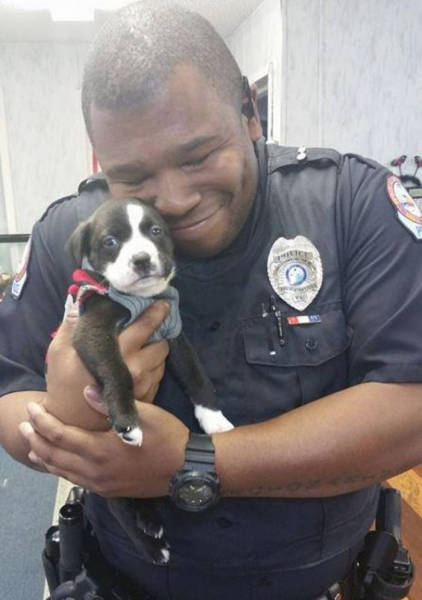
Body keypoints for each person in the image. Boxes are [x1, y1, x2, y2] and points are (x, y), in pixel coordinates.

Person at [0, 2, 422, 598]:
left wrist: (194, 462)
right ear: (101, 161)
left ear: (250, 111)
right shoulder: (73, 232)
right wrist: (64, 416)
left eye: (197, 156)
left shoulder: (352, 207)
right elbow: (11, 396)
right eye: (133, 176)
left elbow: (411, 412)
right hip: (120, 579)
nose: (170, 200)